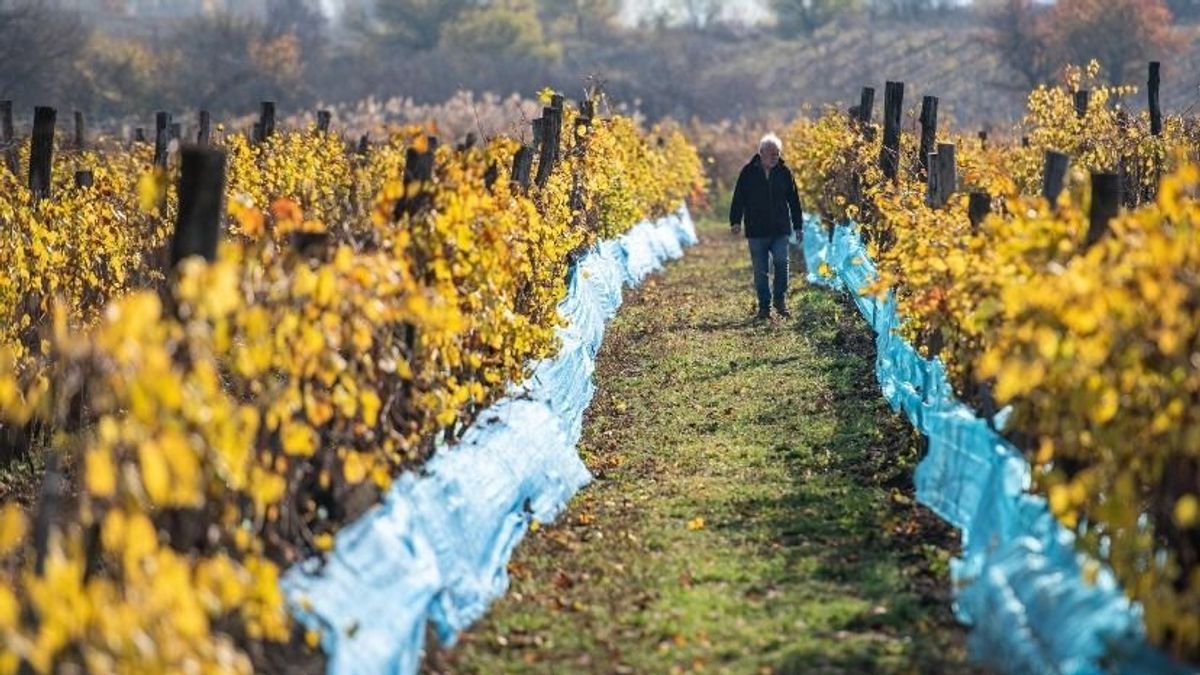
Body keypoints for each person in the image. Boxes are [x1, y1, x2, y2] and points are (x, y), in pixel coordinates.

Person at [729, 133, 804, 320]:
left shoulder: (784, 173)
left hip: (780, 229)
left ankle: (780, 299)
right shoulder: (748, 172)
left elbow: (794, 200)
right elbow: (739, 198)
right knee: (760, 271)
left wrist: (798, 226)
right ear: (761, 153)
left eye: (777, 154)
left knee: (781, 263)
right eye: (772, 154)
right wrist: (735, 221)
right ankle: (764, 307)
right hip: (756, 230)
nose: (775, 157)